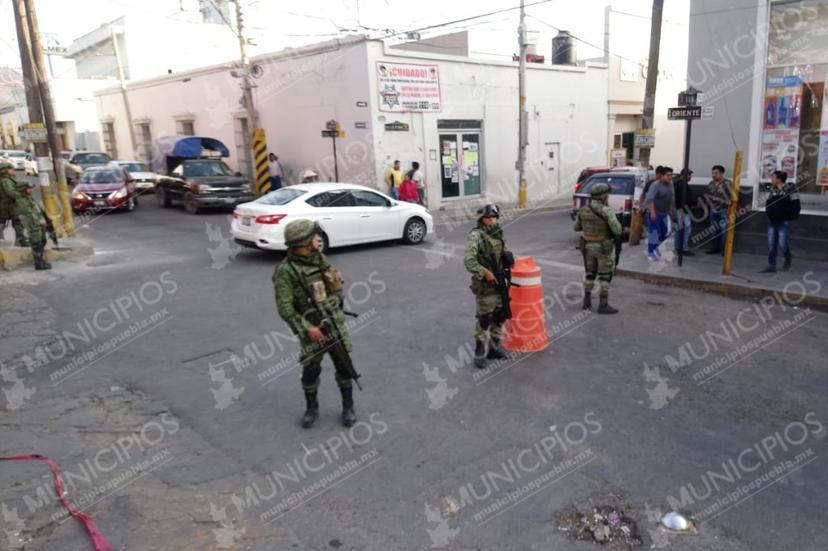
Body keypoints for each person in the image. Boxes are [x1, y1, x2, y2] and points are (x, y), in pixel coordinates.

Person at [273, 219, 357, 428]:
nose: (318, 239)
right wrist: (307, 328)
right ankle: (312, 408)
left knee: (344, 366)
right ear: (304, 243)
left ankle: (348, 406)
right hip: (312, 329)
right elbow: (285, 308)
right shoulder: (287, 271)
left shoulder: (319, 259)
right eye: (314, 237)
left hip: (334, 324)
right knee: (311, 370)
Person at [464, 204, 512, 369]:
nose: (492, 221)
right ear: (482, 220)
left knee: (500, 317)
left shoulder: (498, 233)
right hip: (485, 285)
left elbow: (504, 252)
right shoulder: (476, 235)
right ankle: (479, 354)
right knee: (485, 320)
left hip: (501, 282)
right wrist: (484, 272)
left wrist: (509, 260)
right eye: (488, 218)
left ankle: (494, 348)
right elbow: (469, 261)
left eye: (494, 218)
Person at [574, 183, 622, 314]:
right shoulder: (606, 211)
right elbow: (617, 230)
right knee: (605, 276)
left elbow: (576, 228)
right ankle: (603, 305)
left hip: (588, 247)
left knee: (590, 274)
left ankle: (587, 301)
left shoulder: (583, 209)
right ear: (603, 196)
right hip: (603, 248)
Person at [761, 170, 800, 273]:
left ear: (779, 179)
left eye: (773, 178)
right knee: (771, 244)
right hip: (772, 220)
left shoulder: (790, 189)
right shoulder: (773, 189)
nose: (771, 180)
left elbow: (796, 204)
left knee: (783, 243)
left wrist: (789, 215)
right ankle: (771, 265)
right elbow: (769, 202)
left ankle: (787, 260)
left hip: (783, 221)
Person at [15, 181, 50, 270]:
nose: (31, 190)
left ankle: (41, 261)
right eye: (28, 188)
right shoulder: (21, 200)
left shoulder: (28, 198)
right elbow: (29, 214)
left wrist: (43, 220)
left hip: (37, 223)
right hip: (32, 224)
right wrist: (40, 222)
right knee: (36, 243)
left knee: (42, 241)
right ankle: (38, 264)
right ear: (23, 189)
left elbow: (35, 211)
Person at [646, 165, 675, 261]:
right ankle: (651, 253)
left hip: (665, 212)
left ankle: (655, 246)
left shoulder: (671, 184)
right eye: (668, 175)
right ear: (662, 176)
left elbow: (670, 197)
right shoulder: (655, 185)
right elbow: (650, 199)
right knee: (653, 233)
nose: (670, 177)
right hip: (655, 212)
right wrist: (653, 212)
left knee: (666, 232)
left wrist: (670, 209)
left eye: (671, 175)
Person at [705, 165, 732, 254]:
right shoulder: (710, 184)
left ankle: (724, 250)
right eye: (713, 173)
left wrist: (729, 209)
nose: (713, 175)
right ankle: (715, 248)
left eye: (716, 173)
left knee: (724, 231)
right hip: (713, 211)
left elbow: (733, 197)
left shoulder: (728, 183)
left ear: (722, 173)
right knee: (713, 231)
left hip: (724, 211)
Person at [0, 162, 28, 247]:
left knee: (18, 223)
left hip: (12, 205)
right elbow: (10, 193)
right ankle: (19, 241)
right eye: (11, 169)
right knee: (15, 222)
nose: (13, 170)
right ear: (5, 171)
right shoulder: (5, 181)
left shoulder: (11, 178)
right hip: (8, 206)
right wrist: (22, 194)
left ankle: (20, 240)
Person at [673, 168, 695, 256]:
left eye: (690, 175)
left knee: (679, 229)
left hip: (679, 209)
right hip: (682, 210)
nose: (690, 177)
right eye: (688, 175)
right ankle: (683, 248)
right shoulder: (682, 185)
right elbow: (685, 199)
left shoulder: (678, 184)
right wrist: (694, 203)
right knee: (687, 228)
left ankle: (678, 247)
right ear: (683, 176)